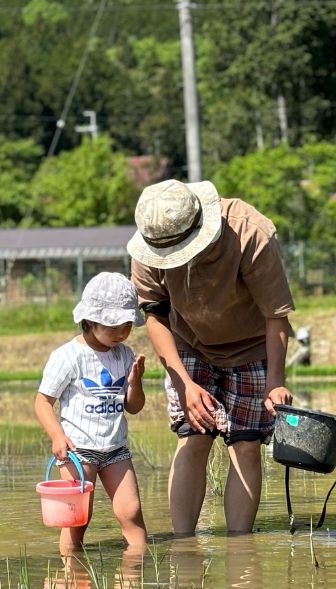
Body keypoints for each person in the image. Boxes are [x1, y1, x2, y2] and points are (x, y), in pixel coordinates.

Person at [128, 179, 294, 535]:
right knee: (194, 437)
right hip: (186, 342)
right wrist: (183, 384)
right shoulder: (151, 240)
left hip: (251, 344)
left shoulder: (249, 232)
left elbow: (275, 315)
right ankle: (183, 545)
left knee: (246, 444)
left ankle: (240, 548)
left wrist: (275, 383)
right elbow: (155, 316)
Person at [35, 272, 148, 554]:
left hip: (115, 449)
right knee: (77, 519)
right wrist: (57, 436)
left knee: (131, 511)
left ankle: (136, 569)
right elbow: (42, 402)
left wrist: (136, 382)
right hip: (78, 451)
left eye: (127, 326)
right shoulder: (68, 356)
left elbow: (133, 407)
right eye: (113, 326)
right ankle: (71, 575)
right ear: (91, 320)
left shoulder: (125, 355)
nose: (121, 333)